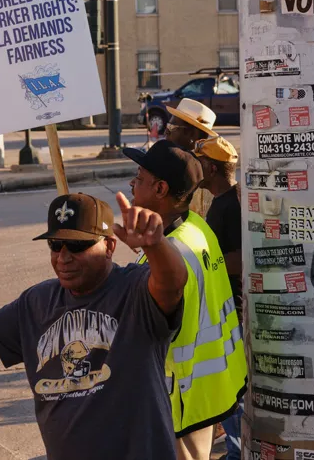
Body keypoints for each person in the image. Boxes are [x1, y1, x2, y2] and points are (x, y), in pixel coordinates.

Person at [0, 193, 187, 460]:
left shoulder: (135, 290)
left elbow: (172, 283)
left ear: (109, 246)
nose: (63, 257)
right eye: (55, 244)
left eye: (78, 245)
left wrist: (156, 244)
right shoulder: (38, 302)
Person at [123, 140, 246, 460]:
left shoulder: (171, 251)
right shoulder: (196, 227)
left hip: (177, 399)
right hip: (204, 391)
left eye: (139, 177)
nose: (132, 185)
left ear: (161, 188)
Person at [192, 136, 243, 460]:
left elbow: (240, 258)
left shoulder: (232, 205)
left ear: (210, 167)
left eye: (199, 161)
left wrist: (206, 263)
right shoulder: (224, 200)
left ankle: (238, 452)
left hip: (233, 306)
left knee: (230, 386)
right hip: (226, 303)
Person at [165, 98, 218, 217]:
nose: (166, 132)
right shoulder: (174, 160)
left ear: (192, 134)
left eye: (172, 127)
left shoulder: (205, 171)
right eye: (167, 125)